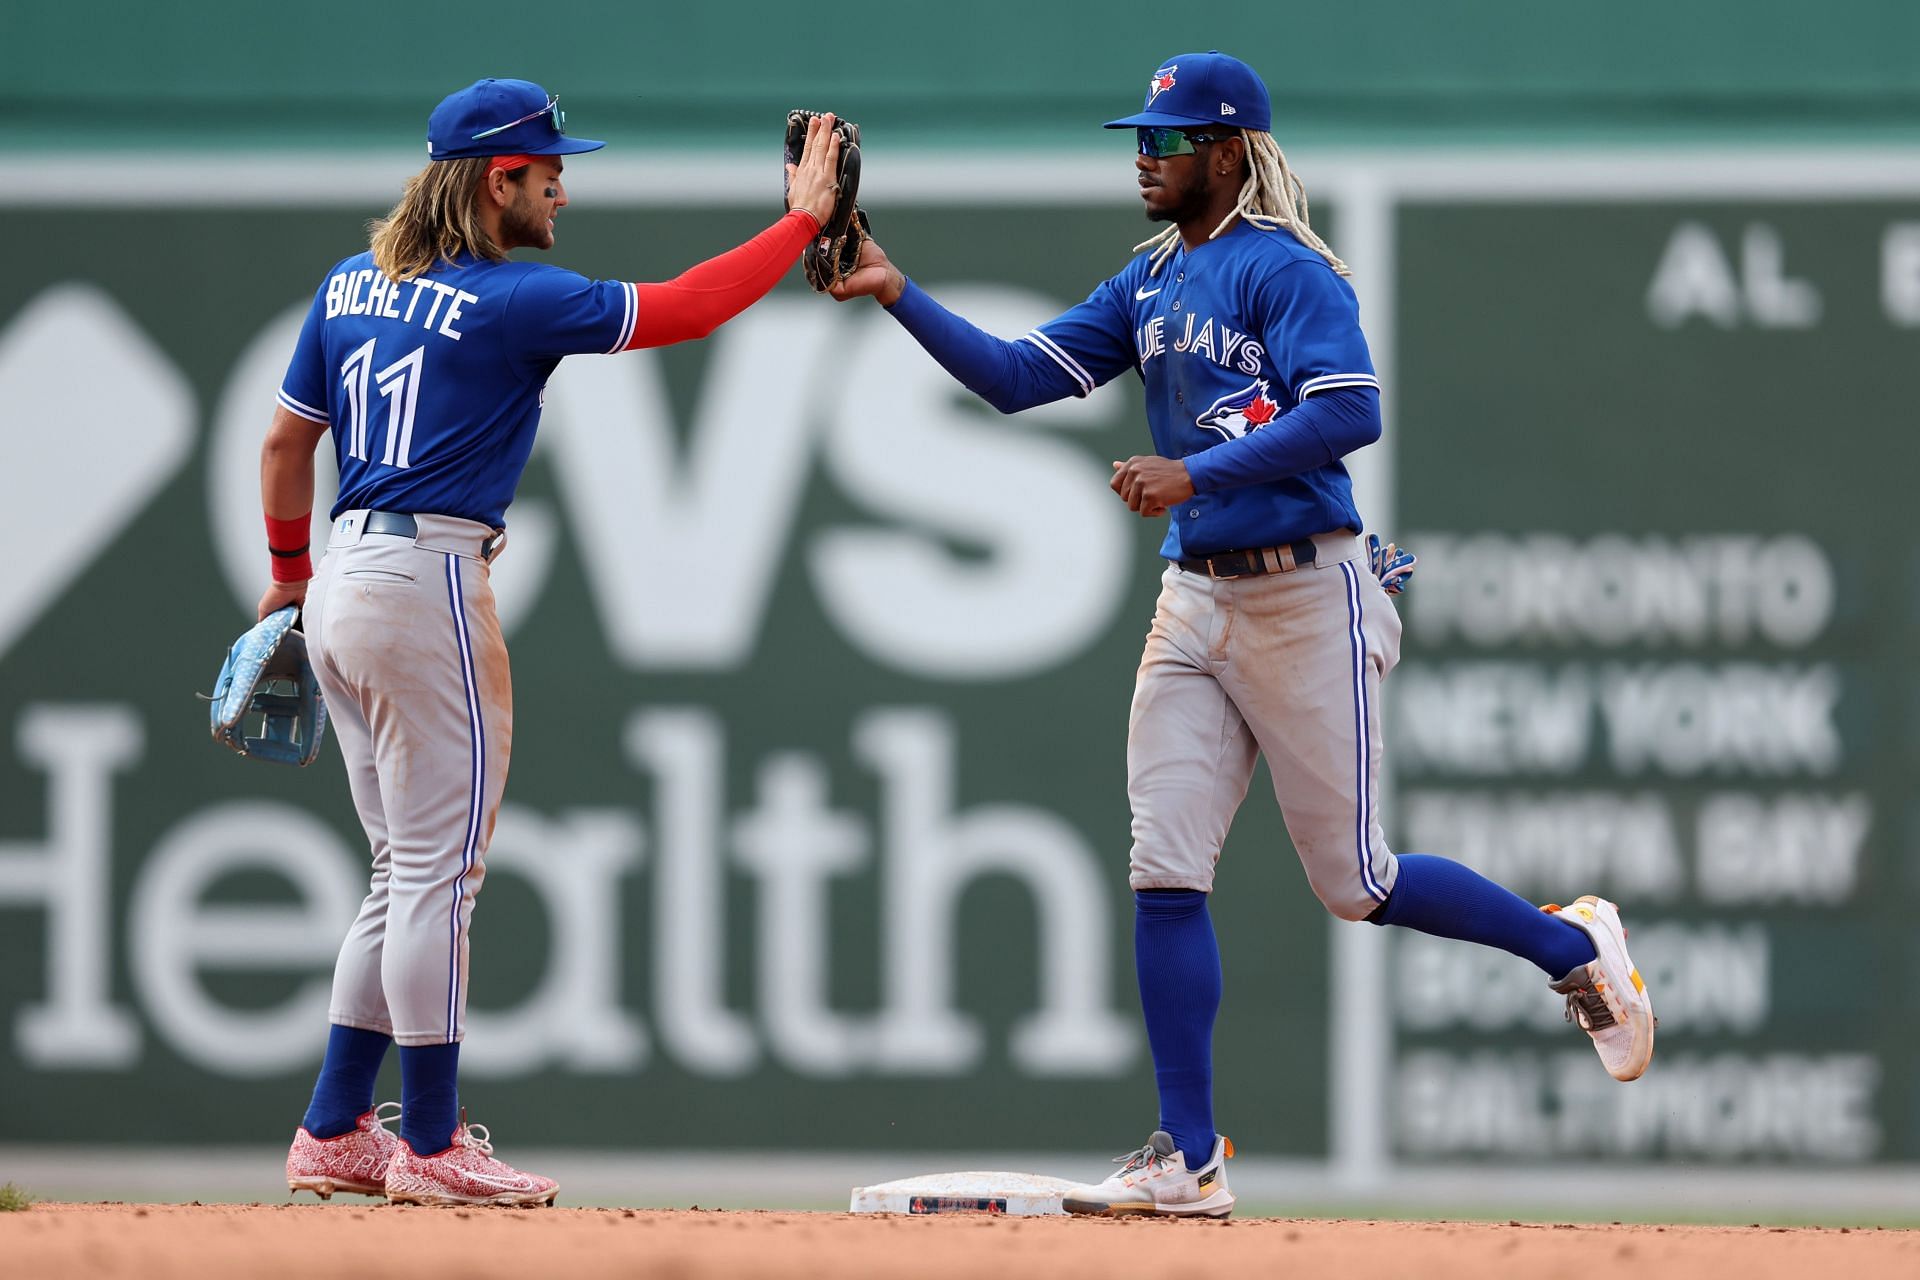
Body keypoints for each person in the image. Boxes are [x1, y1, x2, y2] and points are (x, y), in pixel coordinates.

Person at [827, 51, 1653, 1219]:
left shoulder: (1284, 267)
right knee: (1163, 863)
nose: (1143, 156)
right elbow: (1021, 377)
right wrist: (898, 290)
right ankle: (1190, 1156)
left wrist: (1193, 469)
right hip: (1196, 599)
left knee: (1359, 882)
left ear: (1227, 151)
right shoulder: (1153, 279)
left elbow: (1350, 409)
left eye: (1165, 141)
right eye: (1141, 138)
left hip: (1306, 594)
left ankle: (1569, 947)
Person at [270, 78, 844, 1207]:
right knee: (441, 872)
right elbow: (684, 308)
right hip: (428, 574)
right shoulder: (512, 297)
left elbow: (286, 444)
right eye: (548, 172)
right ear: (498, 181)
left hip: (341, 571)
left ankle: (334, 1125)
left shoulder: (349, 284)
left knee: (398, 869)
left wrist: (289, 583)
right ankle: (430, 1143)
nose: (562, 191)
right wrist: (800, 220)